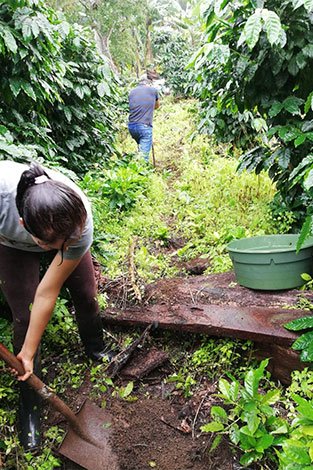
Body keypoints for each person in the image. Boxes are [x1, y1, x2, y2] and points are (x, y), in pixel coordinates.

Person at [0, 160, 111, 450]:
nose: (58, 253)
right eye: (52, 246)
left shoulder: (77, 217)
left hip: (59, 230)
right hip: (9, 241)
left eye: (65, 243)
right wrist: (25, 352)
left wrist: (29, 349)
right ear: (25, 225)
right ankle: (30, 406)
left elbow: (48, 292)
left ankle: (96, 347)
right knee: (24, 317)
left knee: (86, 294)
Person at [128, 76, 160, 162]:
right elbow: (157, 106)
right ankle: (141, 173)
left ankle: (136, 167)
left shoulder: (131, 92)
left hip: (131, 126)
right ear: (148, 83)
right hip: (144, 126)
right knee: (143, 158)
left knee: (141, 150)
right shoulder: (153, 90)